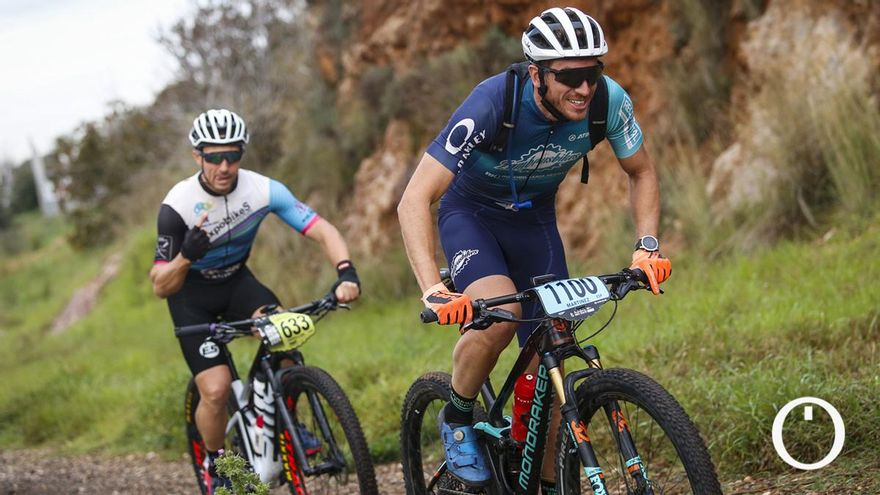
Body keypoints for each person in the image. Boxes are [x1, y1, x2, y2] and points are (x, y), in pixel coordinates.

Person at [397, 7, 671, 492]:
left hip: (535, 222)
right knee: (502, 318)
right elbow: (416, 197)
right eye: (569, 78)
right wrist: (433, 289)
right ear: (536, 74)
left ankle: (542, 482)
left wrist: (646, 247)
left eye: (592, 74)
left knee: (554, 349)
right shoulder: (492, 102)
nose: (584, 90)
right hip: (472, 216)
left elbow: (642, 172)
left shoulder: (609, 101)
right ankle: (458, 417)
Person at [150, 108, 360, 494]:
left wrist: (345, 270)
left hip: (237, 284)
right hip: (190, 295)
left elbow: (320, 228)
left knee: (285, 333)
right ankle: (219, 462)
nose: (224, 166)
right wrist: (186, 256)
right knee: (215, 389)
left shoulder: (263, 189)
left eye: (233, 155)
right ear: (198, 156)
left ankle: (287, 418)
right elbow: (160, 285)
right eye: (214, 157)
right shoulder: (178, 204)